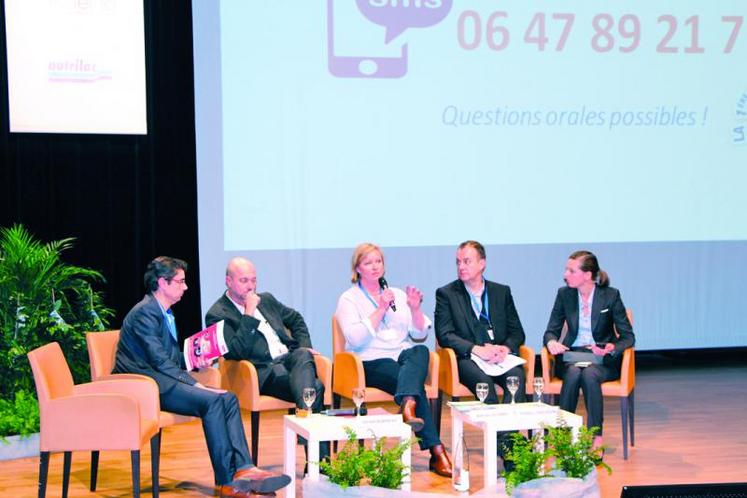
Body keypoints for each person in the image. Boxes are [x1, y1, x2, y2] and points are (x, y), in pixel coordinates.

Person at [113, 256, 290, 498]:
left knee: (228, 398)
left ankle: (244, 470)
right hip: (146, 386)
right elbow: (160, 362)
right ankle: (227, 482)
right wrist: (198, 385)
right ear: (163, 283)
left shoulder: (162, 312)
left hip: (160, 379)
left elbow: (170, 358)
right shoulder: (145, 313)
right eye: (180, 282)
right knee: (212, 400)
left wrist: (195, 361)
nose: (185, 287)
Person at [335, 243, 452, 478]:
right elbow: (355, 339)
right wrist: (380, 309)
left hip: (401, 354)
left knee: (420, 353)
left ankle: (408, 403)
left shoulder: (397, 294)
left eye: (378, 261)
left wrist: (416, 309)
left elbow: (419, 335)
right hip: (369, 360)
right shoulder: (349, 299)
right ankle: (437, 451)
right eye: (368, 263)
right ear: (357, 268)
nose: (375, 267)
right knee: (412, 382)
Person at [204, 257, 328, 465]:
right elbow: (236, 352)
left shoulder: (267, 299)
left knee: (302, 354)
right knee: (315, 386)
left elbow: (295, 319)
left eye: (254, 280)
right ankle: (320, 463)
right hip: (261, 373)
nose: (251, 286)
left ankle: (308, 434)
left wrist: (304, 344)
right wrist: (249, 313)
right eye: (244, 281)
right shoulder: (217, 313)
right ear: (229, 281)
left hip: (289, 361)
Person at [434, 240, 526, 467]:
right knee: (485, 385)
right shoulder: (447, 293)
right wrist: (477, 350)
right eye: (458, 262)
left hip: (499, 357)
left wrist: (505, 348)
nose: (461, 266)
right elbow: (444, 335)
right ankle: (510, 451)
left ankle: (507, 438)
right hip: (468, 358)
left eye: (467, 261)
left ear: (482, 264)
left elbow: (518, 332)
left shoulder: (501, 292)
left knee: (517, 378)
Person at [543, 250, 635, 448]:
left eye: (571, 270)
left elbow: (628, 337)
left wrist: (612, 348)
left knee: (589, 374)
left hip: (601, 359)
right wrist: (552, 343)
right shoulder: (564, 295)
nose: (565, 274)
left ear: (587, 275)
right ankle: (563, 437)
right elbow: (551, 331)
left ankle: (596, 438)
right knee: (575, 372)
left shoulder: (610, 296)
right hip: (571, 357)